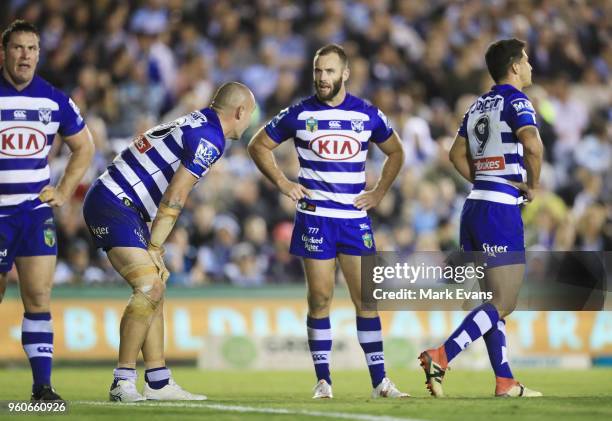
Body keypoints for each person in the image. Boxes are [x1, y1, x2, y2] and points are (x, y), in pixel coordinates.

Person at [248, 44, 408, 399]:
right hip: (315, 219)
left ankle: (381, 382)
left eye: (330, 72)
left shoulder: (367, 114)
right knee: (319, 299)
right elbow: (258, 145)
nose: (322, 78)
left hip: (353, 219)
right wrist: (283, 183)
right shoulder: (299, 113)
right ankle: (324, 381)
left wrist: (379, 192)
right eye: (318, 71)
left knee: (367, 300)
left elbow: (396, 151)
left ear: (345, 74)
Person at [82, 82, 255, 402]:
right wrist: (156, 246)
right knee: (149, 287)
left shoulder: (197, 122)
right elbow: (177, 195)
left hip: (121, 203)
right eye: (249, 116)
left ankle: (158, 381)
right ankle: (122, 382)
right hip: (115, 203)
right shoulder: (211, 138)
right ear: (240, 112)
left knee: (156, 286)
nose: (248, 123)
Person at [418, 38, 544, 398]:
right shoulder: (517, 100)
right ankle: (441, 354)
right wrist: (532, 186)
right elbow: (532, 145)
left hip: (473, 206)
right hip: (499, 209)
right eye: (528, 60)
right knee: (505, 301)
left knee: (493, 304)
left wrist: (482, 179)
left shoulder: (476, 105)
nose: (531, 67)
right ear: (515, 66)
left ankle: (505, 381)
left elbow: (455, 154)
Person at [0, 20, 95, 401]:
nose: (25, 55)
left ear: (39, 54)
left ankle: (42, 389)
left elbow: (84, 146)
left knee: (38, 297)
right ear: (3, 52)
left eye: (32, 49)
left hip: (33, 213)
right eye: (18, 48)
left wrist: (64, 189)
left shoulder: (53, 99)